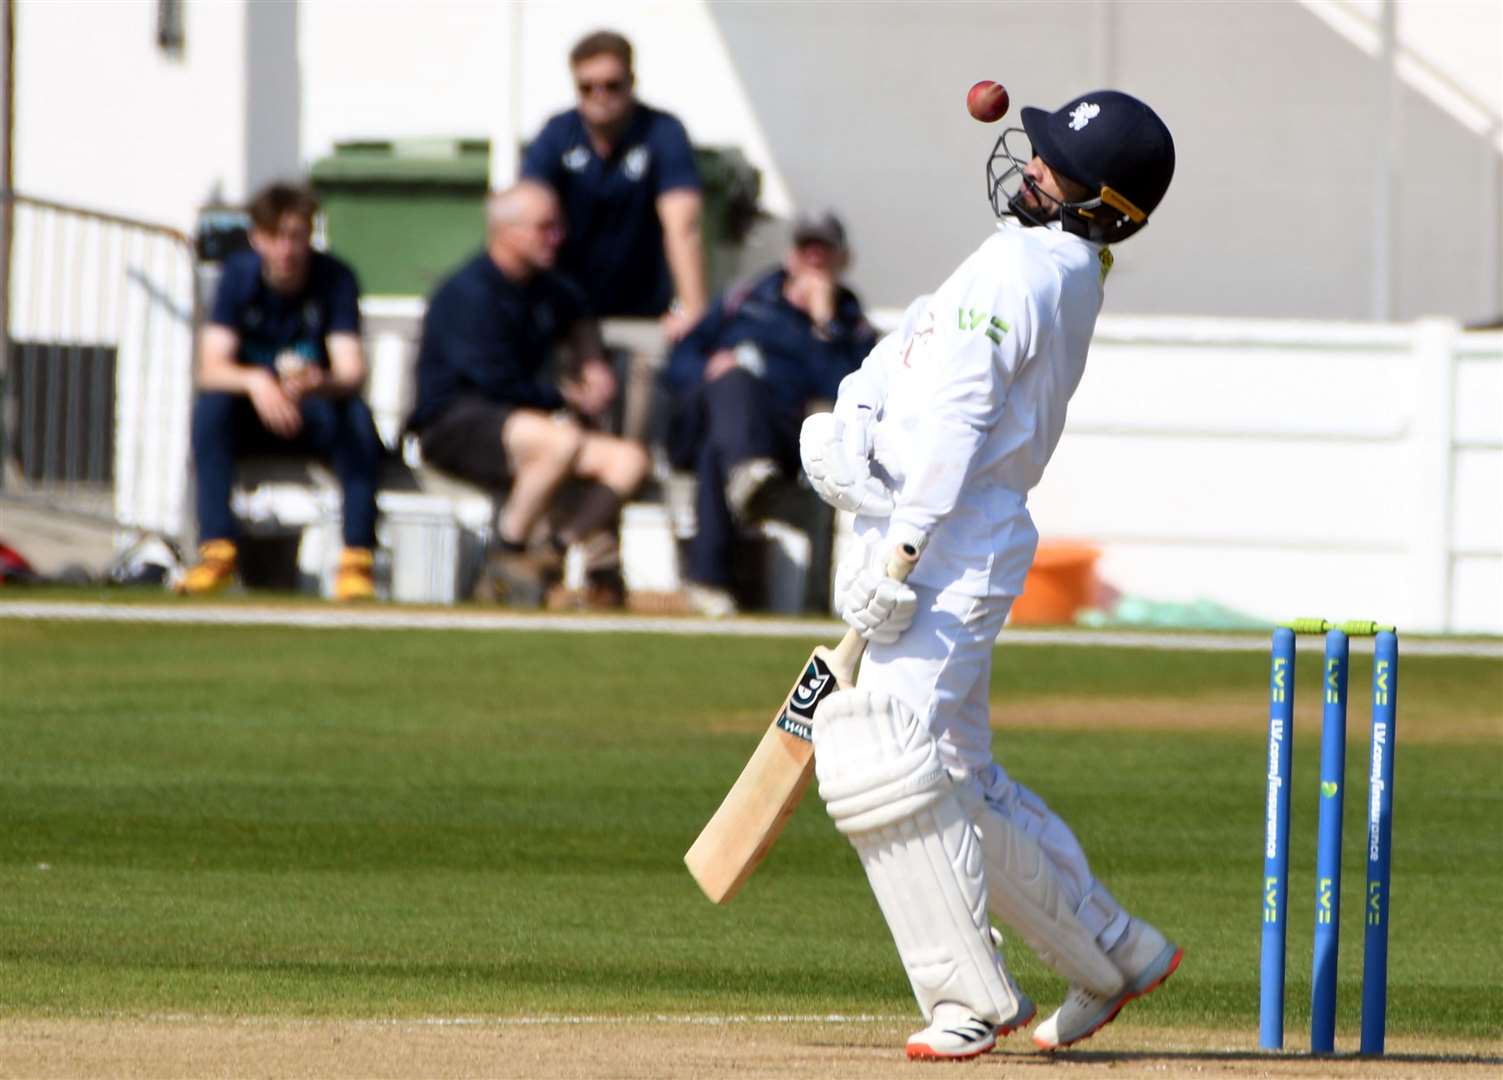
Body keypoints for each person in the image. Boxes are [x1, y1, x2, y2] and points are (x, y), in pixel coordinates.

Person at [799, 90, 1179, 1060]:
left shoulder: (1031, 268)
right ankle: (1112, 948)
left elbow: (962, 418)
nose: (1031, 163)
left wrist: (899, 554)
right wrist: (852, 415)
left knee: (881, 755)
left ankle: (968, 994)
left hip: (948, 543)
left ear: (1101, 203)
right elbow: (917, 343)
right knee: (953, 772)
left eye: (1056, 163)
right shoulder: (1027, 257)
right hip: (937, 529)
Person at [405, 181, 650, 609]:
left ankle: (550, 554)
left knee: (628, 460)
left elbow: (579, 311)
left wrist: (591, 362)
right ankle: (505, 554)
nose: (557, 237)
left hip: (527, 429)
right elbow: (492, 381)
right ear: (507, 231)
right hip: (456, 424)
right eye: (545, 227)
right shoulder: (467, 293)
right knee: (561, 439)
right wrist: (567, 398)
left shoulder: (546, 287)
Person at [663, 212, 877, 617]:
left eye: (823, 253)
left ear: (841, 260)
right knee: (734, 380)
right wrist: (710, 370)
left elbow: (848, 391)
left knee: (718, 451)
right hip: (706, 414)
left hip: (782, 437)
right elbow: (681, 358)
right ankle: (745, 472)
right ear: (790, 256)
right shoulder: (745, 298)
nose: (813, 261)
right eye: (805, 250)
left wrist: (823, 323)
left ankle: (710, 584)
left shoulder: (848, 321)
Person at [181, 182, 384, 601]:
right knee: (212, 410)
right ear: (257, 238)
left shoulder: (335, 279)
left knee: (356, 419)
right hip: (253, 418)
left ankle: (356, 559)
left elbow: (350, 371)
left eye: (296, 237)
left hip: (312, 416)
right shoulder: (238, 277)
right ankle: (217, 551)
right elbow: (211, 368)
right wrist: (258, 381)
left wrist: (318, 381)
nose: (287, 250)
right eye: (276, 237)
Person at [521, 29, 707, 341]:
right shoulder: (557, 133)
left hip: (646, 308)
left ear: (631, 82)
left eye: (611, 85)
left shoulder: (662, 132)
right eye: (587, 87)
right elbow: (525, 213)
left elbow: (683, 227)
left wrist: (692, 309)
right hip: (569, 306)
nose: (600, 96)